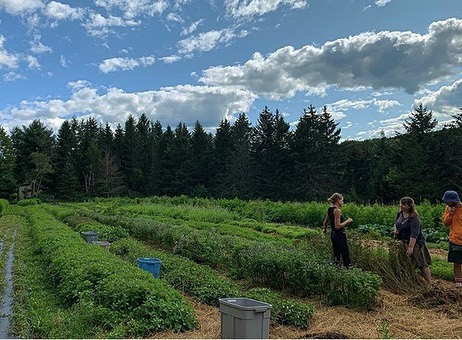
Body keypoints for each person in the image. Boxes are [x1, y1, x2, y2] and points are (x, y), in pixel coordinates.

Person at [393, 196, 432, 284]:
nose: (401, 206)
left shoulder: (414, 218)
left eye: (404, 205)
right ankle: (409, 280)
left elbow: (414, 234)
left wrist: (411, 247)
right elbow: (396, 223)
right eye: (401, 204)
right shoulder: (400, 214)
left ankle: (430, 283)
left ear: (409, 206)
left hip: (415, 242)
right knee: (405, 262)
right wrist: (396, 229)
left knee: (421, 263)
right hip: (402, 241)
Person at [323, 193, 353, 268]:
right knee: (345, 255)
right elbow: (337, 226)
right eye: (342, 200)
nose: (343, 202)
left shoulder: (330, 209)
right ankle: (347, 271)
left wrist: (325, 230)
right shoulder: (337, 211)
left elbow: (325, 222)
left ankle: (335, 270)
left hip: (333, 235)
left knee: (336, 255)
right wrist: (347, 221)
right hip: (339, 235)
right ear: (338, 200)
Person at [441, 190, 462, 288]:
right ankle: (458, 284)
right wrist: (450, 213)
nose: (446, 203)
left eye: (448, 201)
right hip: (454, 239)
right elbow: (445, 223)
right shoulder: (448, 209)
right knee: (456, 263)